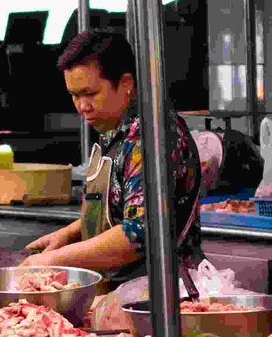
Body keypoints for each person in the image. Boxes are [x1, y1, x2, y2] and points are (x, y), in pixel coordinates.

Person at [20, 29, 201, 284]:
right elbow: (119, 209)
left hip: (164, 289)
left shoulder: (152, 137)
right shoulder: (112, 128)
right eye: (74, 95)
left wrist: (52, 260)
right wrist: (69, 234)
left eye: (90, 94)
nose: (82, 106)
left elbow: (138, 234)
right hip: (120, 285)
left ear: (125, 84)